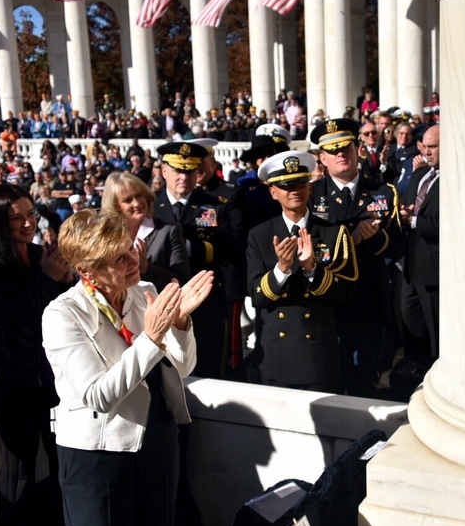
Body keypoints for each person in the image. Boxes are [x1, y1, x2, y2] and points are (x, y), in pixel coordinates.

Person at [41, 210, 213, 526]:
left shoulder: (146, 292)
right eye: (119, 258)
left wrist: (181, 324)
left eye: (131, 249)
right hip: (98, 453)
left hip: (157, 441)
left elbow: (182, 369)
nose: (134, 260)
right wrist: (151, 338)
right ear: (87, 270)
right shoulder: (61, 315)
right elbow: (99, 396)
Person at [0, 183, 75, 513]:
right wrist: (47, 279)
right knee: (19, 469)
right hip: (12, 383)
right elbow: (4, 320)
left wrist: (64, 283)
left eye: (31, 213)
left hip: (49, 378)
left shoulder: (37, 254)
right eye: (16, 218)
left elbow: (54, 311)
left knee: (60, 463)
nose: (28, 223)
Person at [246, 151, 358, 390]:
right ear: (273, 193)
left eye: (300, 183)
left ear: (310, 188)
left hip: (318, 355)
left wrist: (311, 270)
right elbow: (258, 297)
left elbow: (346, 295)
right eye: (286, 185)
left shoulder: (334, 232)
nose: (294, 189)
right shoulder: (260, 235)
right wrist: (281, 270)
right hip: (276, 356)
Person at [309, 118, 404, 396]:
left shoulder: (383, 192)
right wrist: (351, 240)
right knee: (331, 381)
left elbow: (398, 247)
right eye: (333, 150)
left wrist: (375, 237)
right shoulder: (311, 196)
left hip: (369, 302)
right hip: (328, 302)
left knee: (366, 384)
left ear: (357, 149)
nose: (341, 154)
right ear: (322, 158)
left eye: (346, 147)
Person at [153, 140, 238, 379]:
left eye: (190, 170)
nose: (184, 177)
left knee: (208, 367)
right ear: (164, 170)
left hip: (205, 301)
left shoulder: (213, 206)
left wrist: (186, 247)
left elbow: (229, 247)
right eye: (178, 170)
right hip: (160, 300)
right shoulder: (150, 206)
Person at [102, 171, 191, 292]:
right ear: (116, 205)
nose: (137, 203)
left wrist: (146, 268)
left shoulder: (168, 231)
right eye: (128, 200)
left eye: (139, 195)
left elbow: (182, 279)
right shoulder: (106, 236)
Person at [399, 125, 441, 359]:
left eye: (433, 146)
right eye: (425, 146)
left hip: (433, 269)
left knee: (434, 332)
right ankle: (413, 369)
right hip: (408, 266)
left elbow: (449, 224)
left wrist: (413, 221)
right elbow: (407, 206)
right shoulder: (419, 174)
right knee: (409, 321)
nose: (427, 151)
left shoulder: (456, 181)